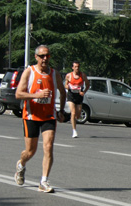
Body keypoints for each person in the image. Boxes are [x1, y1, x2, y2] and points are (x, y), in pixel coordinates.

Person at [14, 45, 66, 193]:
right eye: (42, 56)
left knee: (48, 147)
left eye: (47, 56)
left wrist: (61, 110)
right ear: (36, 57)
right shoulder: (29, 72)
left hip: (49, 116)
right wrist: (36, 95)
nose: (45, 59)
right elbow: (18, 94)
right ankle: (21, 164)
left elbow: (62, 92)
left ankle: (44, 181)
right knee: (30, 151)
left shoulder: (55, 74)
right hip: (31, 116)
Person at [64, 61, 89, 138]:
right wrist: (67, 86)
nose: (77, 68)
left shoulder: (83, 75)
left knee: (78, 115)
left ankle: (74, 120)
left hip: (79, 95)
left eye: (78, 67)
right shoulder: (69, 75)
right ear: (72, 67)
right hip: (71, 95)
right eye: (75, 67)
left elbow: (88, 84)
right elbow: (65, 84)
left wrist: (84, 92)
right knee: (73, 113)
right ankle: (74, 131)